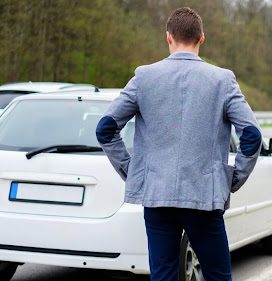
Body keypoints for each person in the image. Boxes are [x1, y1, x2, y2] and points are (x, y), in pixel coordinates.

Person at [95, 7, 261, 281]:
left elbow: (105, 128)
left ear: (168, 37)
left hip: (157, 196)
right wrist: (232, 178)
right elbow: (252, 135)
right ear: (202, 38)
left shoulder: (144, 77)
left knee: (163, 276)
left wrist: (133, 171)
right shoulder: (222, 80)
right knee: (218, 276)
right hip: (204, 197)